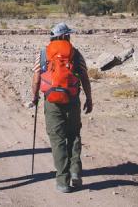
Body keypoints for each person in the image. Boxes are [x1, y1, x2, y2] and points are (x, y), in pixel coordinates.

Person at [30, 22, 93, 193]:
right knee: (73, 135)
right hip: (72, 100)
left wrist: (34, 98)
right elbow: (85, 77)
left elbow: (36, 79)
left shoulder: (43, 54)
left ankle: (63, 181)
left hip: (52, 101)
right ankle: (75, 172)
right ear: (65, 36)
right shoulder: (76, 54)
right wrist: (89, 98)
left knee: (57, 139)